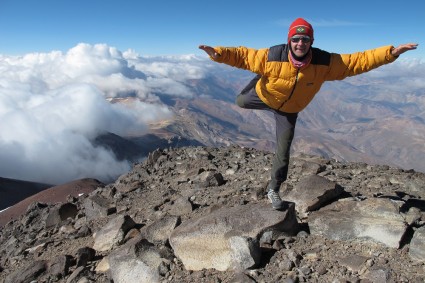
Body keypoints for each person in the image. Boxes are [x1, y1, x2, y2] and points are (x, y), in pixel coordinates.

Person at [199, 17, 418, 210]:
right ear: (289, 41)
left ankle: (273, 189)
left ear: (311, 42)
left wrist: (390, 54)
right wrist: (218, 54)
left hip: (289, 110)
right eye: (296, 39)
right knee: (240, 101)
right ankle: (260, 78)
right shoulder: (273, 55)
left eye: (305, 40)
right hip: (265, 95)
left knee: (283, 152)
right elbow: (243, 56)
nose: (300, 43)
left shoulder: (324, 63)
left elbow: (356, 62)